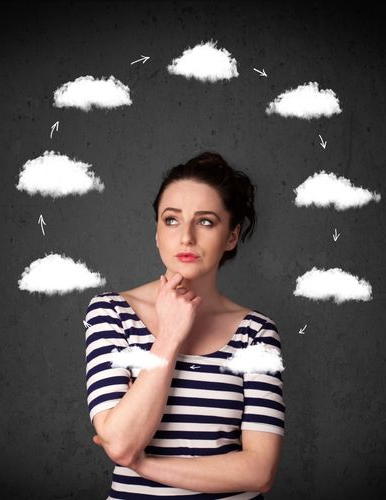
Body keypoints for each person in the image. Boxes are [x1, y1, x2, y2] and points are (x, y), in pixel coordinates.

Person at [84, 151, 286, 499]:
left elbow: (259, 471)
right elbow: (120, 439)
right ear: (157, 232)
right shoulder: (111, 312)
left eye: (206, 221)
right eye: (172, 220)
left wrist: (145, 465)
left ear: (231, 236)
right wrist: (170, 336)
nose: (187, 237)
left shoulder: (257, 333)